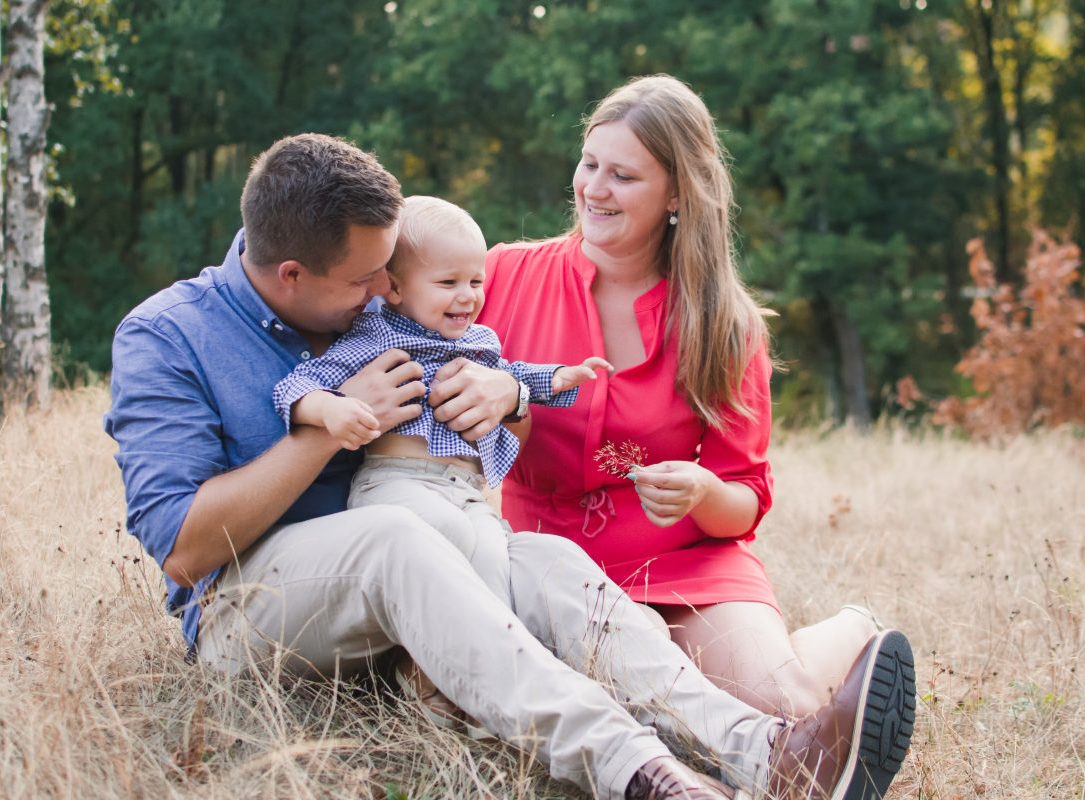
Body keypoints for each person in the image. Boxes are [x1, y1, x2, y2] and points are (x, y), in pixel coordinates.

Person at [105, 131, 914, 800]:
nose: (385, 293)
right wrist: (325, 434)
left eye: (389, 272)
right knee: (394, 536)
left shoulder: (368, 306)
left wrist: (509, 400)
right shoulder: (169, 336)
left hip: (419, 584)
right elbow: (184, 546)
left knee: (547, 561)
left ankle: (769, 752)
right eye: (365, 282)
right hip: (257, 613)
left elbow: (487, 435)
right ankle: (641, 772)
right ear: (292, 275)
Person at [477, 74, 910, 724]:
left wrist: (704, 491)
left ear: (677, 192)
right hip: (549, 569)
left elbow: (744, 502)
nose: (594, 188)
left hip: (685, 563)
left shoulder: (725, 325)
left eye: (623, 176)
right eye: (589, 163)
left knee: (779, 709)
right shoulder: (504, 275)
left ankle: (850, 636)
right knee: (639, 722)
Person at [272, 194, 610, 733]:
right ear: (397, 287)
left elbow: (513, 377)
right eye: (448, 282)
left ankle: (459, 680)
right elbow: (297, 386)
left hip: (465, 490)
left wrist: (556, 379)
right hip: (398, 484)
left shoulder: (480, 341)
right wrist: (333, 410)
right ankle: (461, 683)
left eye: (475, 281)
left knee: (494, 565)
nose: (467, 296)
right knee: (453, 551)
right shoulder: (375, 335)